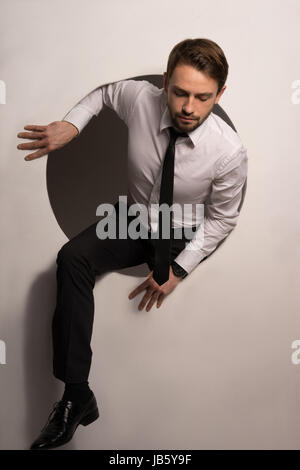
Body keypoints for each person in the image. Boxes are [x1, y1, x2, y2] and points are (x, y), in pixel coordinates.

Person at [17, 38, 248, 450]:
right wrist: (73, 123)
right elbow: (103, 94)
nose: (188, 108)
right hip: (136, 219)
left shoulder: (228, 151)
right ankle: (76, 395)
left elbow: (222, 218)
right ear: (165, 83)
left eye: (202, 97)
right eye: (179, 93)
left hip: (181, 234)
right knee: (72, 258)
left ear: (221, 94)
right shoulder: (140, 98)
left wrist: (179, 270)